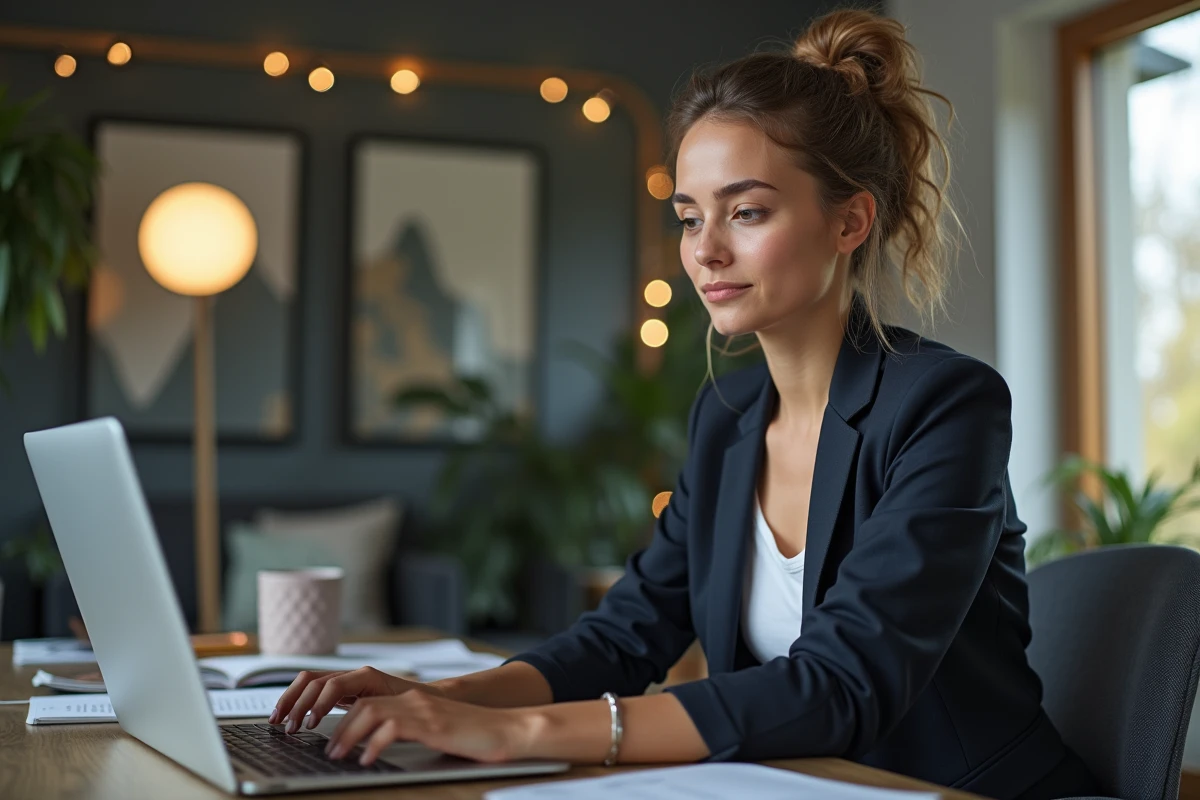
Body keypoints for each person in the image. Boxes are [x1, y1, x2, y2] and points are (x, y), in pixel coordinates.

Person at [271, 9, 1099, 798]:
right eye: (690, 217)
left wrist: (518, 734)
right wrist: (443, 697)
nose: (705, 251)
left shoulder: (945, 405)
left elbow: (844, 683)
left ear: (850, 222)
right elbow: (626, 635)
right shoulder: (726, 418)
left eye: (748, 212)